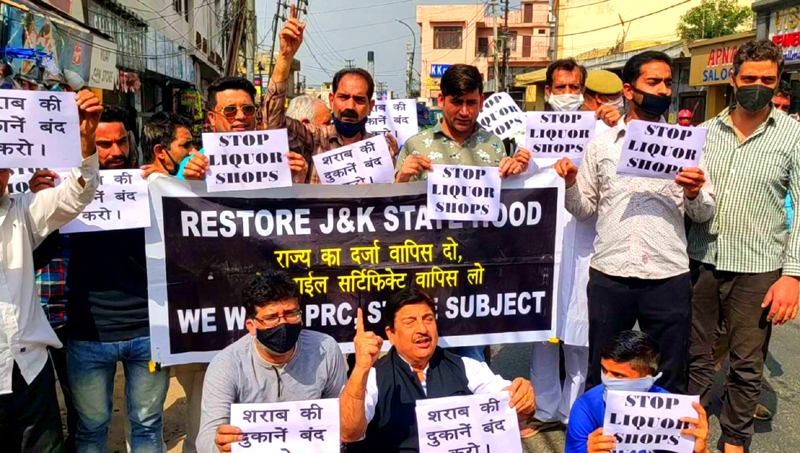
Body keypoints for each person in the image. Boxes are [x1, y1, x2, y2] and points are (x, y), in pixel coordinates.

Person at [553, 50, 715, 394]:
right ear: (629, 90)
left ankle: (662, 445)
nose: (663, 90)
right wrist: (569, 184)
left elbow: (703, 213)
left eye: (668, 83)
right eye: (653, 82)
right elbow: (584, 209)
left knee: (669, 374)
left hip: (667, 275)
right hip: (611, 276)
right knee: (606, 373)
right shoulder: (601, 145)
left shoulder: (688, 147)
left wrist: (694, 193)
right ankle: (603, 443)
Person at [687, 40, 800, 453]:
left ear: (777, 83)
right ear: (732, 79)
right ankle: (685, 431)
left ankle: (735, 440)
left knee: (747, 363)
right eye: (749, 78)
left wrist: (793, 276)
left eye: (766, 80)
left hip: (759, 268)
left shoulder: (793, 136)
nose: (757, 86)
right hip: (700, 260)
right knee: (695, 355)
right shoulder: (702, 133)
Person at [0, 89, 101, 453]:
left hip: (28, 371)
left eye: (3, 163)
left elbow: (76, 194)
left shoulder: (21, 210)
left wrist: (85, 142)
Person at [65, 105, 170, 453]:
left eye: (121, 142)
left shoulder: (150, 184)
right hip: (88, 334)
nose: (115, 152)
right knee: (92, 428)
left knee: (147, 427)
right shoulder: (67, 191)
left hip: (147, 332)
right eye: (104, 144)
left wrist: (172, 181)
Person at [527, 65, 624, 434]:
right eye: (560, 86)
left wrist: (618, 126)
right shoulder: (531, 132)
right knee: (543, 331)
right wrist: (518, 163)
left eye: (574, 86)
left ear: (584, 91)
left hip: (586, 243)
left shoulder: (605, 132)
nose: (566, 92)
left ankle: (574, 412)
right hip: (543, 244)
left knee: (580, 333)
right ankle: (543, 407)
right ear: (548, 89)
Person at [339, 287, 536, 452]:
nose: (422, 329)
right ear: (391, 334)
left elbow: (511, 404)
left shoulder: (464, 367)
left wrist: (523, 398)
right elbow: (348, 432)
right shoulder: (373, 377)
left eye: (428, 319)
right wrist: (361, 369)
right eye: (410, 322)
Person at [196, 270, 346, 453]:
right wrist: (220, 445)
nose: (282, 324)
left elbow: (340, 419)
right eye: (271, 317)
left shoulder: (326, 349)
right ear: (252, 326)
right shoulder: (226, 365)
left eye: (290, 313)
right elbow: (206, 438)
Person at [264, 5, 399, 184]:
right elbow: (272, 123)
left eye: (359, 100)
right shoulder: (313, 138)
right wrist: (284, 57)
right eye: (344, 97)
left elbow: (394, 203)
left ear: (370, 106)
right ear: (331, 100)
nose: (350, 107)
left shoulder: (379, 150)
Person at [565, 331, 710, 453]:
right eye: (604, 370)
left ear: (646, 379)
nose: (607, 379)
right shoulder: (586, 406)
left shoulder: (677, 412)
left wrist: (702, 451)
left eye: (618, 375)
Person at [394, 64, 529, 183]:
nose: (464, 112)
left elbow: (505, 197)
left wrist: (516, 173)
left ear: (481, 102)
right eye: (457, 102)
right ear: (441, 100)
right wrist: (402, 178)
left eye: (471, 103)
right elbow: (391, 205)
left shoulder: (495, 145)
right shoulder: (414, 145)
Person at [177, 76, 308, 182]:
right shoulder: (193, 166)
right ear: (212, 118)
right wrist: (192, 186)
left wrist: (298, 180)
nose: (241, 116)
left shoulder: (280, 160)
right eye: (230, 110)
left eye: (248, 109)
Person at [140, 112, 198, 177]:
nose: (195, 152)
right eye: (186, 145)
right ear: (160, 151)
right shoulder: (140, 185)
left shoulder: (194, 180)